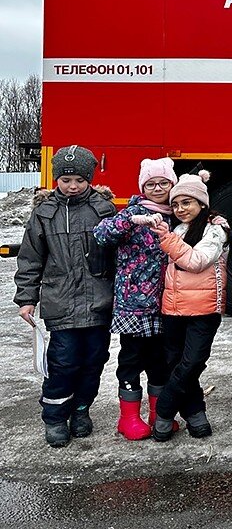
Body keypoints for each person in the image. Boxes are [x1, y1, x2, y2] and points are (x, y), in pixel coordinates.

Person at [14, 145, 117, 447]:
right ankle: (56, 416)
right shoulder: (44, 214)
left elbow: (120, 254)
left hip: (99, 302)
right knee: (64, 361)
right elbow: (31, 259)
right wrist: (26, 298)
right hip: (61, 302)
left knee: (95, 359)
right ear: (56, 178)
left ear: (89, 179)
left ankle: (82, 409)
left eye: (79, 181)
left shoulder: (103, 210)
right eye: (66, 180)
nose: (72, 186)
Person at [93, 157, 178, 441]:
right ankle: (128, 417)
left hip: (166, 303)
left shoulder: (177, 214)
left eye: (163, 183)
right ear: (143, 186)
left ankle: (158, 413)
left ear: (172, 184)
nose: (157, 188)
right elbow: (101, 235)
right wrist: (130, 219)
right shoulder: (132, 213)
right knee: (131, 359)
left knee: (160, 360)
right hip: (133, 304)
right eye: (151, 184)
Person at [148, 171, 229, 442]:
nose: (181, 209)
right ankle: (196, 413)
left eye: (187, 203)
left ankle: (165, 408)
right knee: (176, 362)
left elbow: (197, 261)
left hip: (204, 310)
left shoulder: (215, 230)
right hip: (173, 309)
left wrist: (167, 240)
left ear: (202, 204)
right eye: (176, 204)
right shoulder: (178, 229)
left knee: (192, 362)